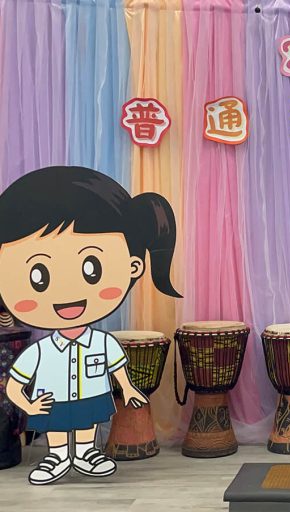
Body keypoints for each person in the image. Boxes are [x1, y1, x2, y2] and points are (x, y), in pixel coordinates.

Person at [0, 166, 181, 485]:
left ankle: (85, 453)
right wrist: (27, 403)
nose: (67, 294)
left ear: (133, 266)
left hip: (91, 395)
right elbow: (16, 383)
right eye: (38, 277)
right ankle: (57, 456)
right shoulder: (41, 351)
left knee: (86, 423)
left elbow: (117, 366)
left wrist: (128, 388)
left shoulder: (102, 343)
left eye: (92, 269)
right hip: (53, 400)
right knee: (58, 427)